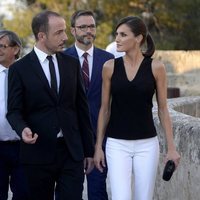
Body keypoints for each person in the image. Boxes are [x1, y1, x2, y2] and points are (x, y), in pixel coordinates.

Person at [6, 10, 94, 200]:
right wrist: (22, 129)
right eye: (58, 32)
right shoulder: (19, 69)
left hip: (71, 152)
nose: (64, 37)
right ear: (41, 36)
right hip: (37, 153)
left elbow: (81, 108)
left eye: (64, 31)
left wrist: (89, 151)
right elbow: (13, 111)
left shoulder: (72, 64)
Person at [94, 16, 181, 200]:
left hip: (147, 145)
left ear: (139, 38)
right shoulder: (109, 67)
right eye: (116, 34)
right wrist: (98, 147)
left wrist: (172, 148)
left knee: (144, 197)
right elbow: (105, 109)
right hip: (116, 144)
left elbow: (163, 109)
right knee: (121, 197)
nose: (117, 39)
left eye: (123, 35)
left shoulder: (156, 67)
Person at [64, 10, 114, 200]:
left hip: (100, 137)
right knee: (68, 191)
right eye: (83, 27)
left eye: (91, 26)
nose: (88, 31)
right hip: (69, 139)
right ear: (73, 31)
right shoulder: (61, 59)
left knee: (98, 191)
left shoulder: (109, 60)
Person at [0, 30, 28, 200]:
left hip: (23, 147)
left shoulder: (27, 73)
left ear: (16, 49)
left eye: (2, 46)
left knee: (24, 194)